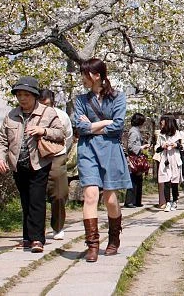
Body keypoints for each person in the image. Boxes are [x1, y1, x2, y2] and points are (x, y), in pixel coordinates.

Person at [0, 76, 65, 253]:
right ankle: (27, 237)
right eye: (19, 94)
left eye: (26, 94)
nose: (22, 98)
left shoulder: (47, 113)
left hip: (39, 163)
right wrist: (0, 159)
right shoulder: (11, 115)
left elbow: (60, 133)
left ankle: (37, 240)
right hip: (18, 164)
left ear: (34, 95)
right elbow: (1, 140)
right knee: (26, 201)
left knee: (37, 200)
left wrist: (43, 130)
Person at [73, 58, 132, 263]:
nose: (82, 78)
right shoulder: (80, 100)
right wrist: (104, 123)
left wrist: (94, 125)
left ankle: (114, 237)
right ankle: (93, 245)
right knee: (90, 196)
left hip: (110, 150)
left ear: (96, 75)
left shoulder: (118, 97)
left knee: (110, 198)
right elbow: (79, 127)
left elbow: (118, 126)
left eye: (84, 74)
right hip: (87, 149)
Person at [38, 89, 74, 241]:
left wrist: (61, 151)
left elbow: (69, 137)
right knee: (36, 194)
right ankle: (36, 229)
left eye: (47, 104)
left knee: (59, 194)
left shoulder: (61, 116)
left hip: (57, 156)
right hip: (37, 157)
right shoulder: (32, 115)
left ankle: (57, 226)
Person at [156, 116, 184, 211]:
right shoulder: (161, 134)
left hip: (174, 159)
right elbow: (157, 148)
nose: (161, 124)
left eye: (163, 123)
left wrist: (176, 145)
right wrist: (162, 146)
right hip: (165, 159)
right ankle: (168, 202)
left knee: (174, 181)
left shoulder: (179, 134)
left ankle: (175, 201)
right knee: (166, 180)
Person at [123, 113, 148, 208]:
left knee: (138, 179)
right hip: (134, 158)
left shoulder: (136, 131)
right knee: (133, 179)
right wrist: (142, 147)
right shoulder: (134, 132)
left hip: (137, 157)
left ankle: (137, 201)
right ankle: (129, 201)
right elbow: (131, 147)